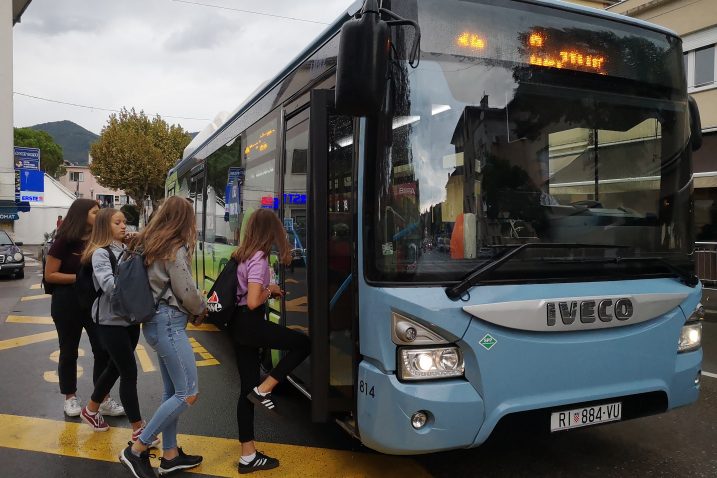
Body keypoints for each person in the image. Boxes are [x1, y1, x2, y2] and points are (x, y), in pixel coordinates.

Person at [120, 196, 206, 478]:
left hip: (155, 324)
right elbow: (185, 291)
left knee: (173, 392)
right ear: (185, 220)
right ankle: (137, 449)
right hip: (169, 323)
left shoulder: (150, 243)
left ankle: (170, 455)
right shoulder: (173, 247)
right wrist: (201, 308)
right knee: (188, 393)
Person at [230, 209, 310, 474]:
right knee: (302, 344)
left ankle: (248, 455)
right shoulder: (259, 258)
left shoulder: (241, 254)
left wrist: (265, 291)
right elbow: (253, 300)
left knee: (245, 391)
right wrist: (271, 290)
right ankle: (265, 389)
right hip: (252, 324)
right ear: (270, 231)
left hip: (239, 325)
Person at [78, 208, 159, 447]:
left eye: (124, 222)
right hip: (110, 321)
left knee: (114, 367)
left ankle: (91, 410)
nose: (124, 226)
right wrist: (131, 266)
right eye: (117, 222)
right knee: (128, 372)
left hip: (129, 320)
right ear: (105, 226)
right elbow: (110, 286)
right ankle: (138, 429)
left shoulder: (125, 249)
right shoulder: (100, 254)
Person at [44, 198, 124, 418]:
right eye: (95, 213)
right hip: (66, 303)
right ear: (81, 215)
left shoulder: (100, 241)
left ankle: (103, 398)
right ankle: (70, 398)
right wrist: (79, 279)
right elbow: (50, 275)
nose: (99, 216)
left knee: (103, 350)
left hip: (93, 304)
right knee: (68, 351)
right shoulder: (64, 240)